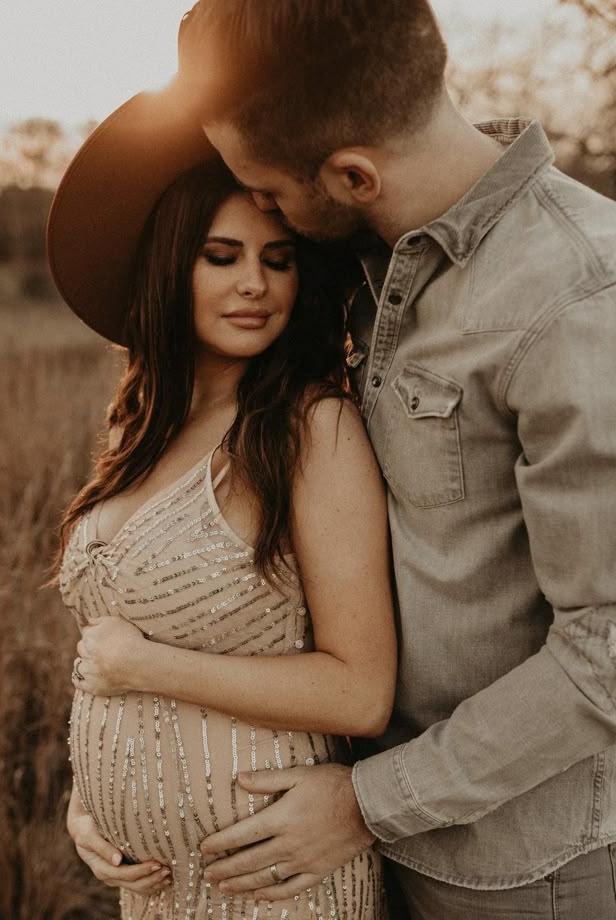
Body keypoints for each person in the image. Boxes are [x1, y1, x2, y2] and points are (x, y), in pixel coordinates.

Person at [142, 2, 613, 918]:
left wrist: (368, 805)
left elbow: (605, 654)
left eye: (270, 194)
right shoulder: (346, 265)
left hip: (519, 872)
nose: (265, 217)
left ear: (353, 174)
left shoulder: (578, 300)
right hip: (337, 840)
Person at [47, 103, 397, 920]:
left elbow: (361, 691)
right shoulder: (141, 426)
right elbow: (108, 655)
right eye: (222, 256)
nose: (255, 283)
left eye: (277, 260)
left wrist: (149, 669)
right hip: (155, 892)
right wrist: (87, 801)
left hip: (274, 880)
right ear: (173, 268)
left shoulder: (312, 429)